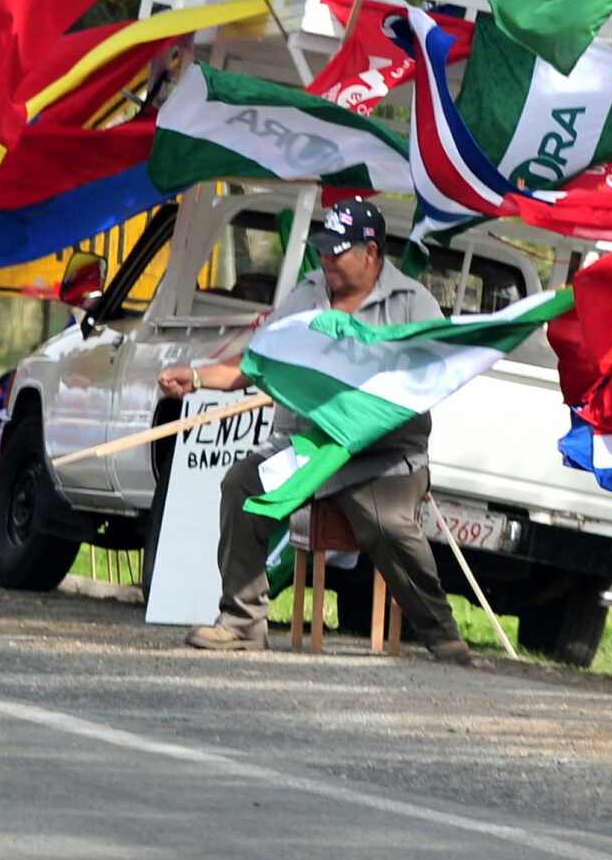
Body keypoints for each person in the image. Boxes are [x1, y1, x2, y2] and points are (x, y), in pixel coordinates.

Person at [160, 200, 479, 663]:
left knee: (389, 525)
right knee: (243, 487)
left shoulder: (412, 303)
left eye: (338, 251)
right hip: (310, 447)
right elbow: (263, 358)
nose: (326, 258)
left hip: (382, 457)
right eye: (324, 248)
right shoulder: (308, 292)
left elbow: (435, 376)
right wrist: (196, 376)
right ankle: (242, 622)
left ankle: (442, 636)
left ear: (371, 253)